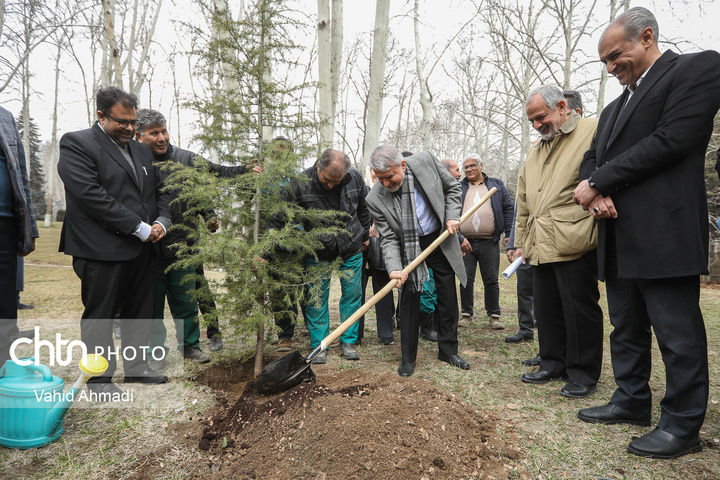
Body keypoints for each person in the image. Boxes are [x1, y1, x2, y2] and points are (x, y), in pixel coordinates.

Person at [573, 7, 720, 459]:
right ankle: (631, 398)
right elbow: (590, 158)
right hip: (616, 233)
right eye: (605, 62)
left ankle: (681, 424)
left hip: (664, 229)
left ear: (647, 38)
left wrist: (600, 181)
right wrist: (595, 190)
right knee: (626, 325)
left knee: (676, 332)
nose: (611, 67)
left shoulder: (697, 69)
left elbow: (671, 139)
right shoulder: (614, 106)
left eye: (616, 56)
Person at [57, 86, 171, 395]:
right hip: (100, 248)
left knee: (140, 310)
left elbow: (159, 192)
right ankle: (99, 380)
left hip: (143, 248)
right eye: (123, 122)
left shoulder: (141, 149)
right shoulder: (77, 144)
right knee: (101, 315)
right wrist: (139, 227)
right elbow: (91, 196)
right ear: (100, 115)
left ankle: (137, 368)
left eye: (134, 122)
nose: (131, 129)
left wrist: (161, 221)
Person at [135, 109, 258, 364]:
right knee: (151, 307)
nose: (161, 138)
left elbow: (216, 171)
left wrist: (244, 170)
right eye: (154, 133)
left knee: (187, 301)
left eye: (164, 131)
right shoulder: (134, 163)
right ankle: (154, 351)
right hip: (147, 250)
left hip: (184, 245)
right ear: (138, 136)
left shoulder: (185, 159)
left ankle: (190, 347)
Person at [512, 84, 603, 399]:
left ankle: (583, 372)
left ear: (562, 107)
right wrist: (521, 240)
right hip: (540, 242)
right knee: (546, 308)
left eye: (541, 117)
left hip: (573, 238)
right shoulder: (536, 149)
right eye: (532, 121)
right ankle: (552, 362)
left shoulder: (593, 130)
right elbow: (524, 199)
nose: (537, 125)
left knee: (578, 310)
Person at [366, 146, 469, 377]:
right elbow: (389, 237)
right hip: (409, 246)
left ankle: (448, 350)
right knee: (409, 299)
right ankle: (408, 358)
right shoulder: (374, 198)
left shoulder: (426, 162)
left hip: (440, 238)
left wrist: (453, 215)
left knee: (447, 295)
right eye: (379, 179)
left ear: (402, 165)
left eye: (389, 177)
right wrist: (394, 268)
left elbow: (452, 188)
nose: (384, 183)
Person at [264, 148, 370, 364]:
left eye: (337, 181)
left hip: (350, 247)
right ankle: (319, 344)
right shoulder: (300, 182)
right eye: (327, 179)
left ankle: (347, 341)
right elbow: (279, 218)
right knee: (316, 300)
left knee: (352, 295)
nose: (332, 185)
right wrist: (265, 251)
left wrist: (365, 234)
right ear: (318, 167)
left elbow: (364, 207)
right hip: (317, 250)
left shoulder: (355, 177)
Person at [0, 106, 38, 367]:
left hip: (6, 222)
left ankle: (3, 363)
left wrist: (29, 227)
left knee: (5, 298)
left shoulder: (6, 117)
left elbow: (21, 175)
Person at [458, 153, 514, 330]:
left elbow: (508, 208)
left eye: (472, 166)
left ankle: (494, 316)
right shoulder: (459, 187)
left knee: (490, 279)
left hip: (489, 241)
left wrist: (509, 233)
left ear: (481, 165)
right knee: (465, 278)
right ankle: (466, 314)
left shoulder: (496, 185)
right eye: (465, 167)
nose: (468, 170)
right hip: (464, 243)